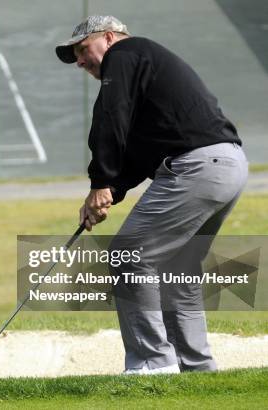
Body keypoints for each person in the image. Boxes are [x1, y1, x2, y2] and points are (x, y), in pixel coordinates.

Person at [55, 16, 248, 374]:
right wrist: (112, 188)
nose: (81, 61)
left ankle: (152, 363)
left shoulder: (125, 53)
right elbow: (142, 151)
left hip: (199, 167)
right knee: (179, 269)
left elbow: (110, 118)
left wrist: (100, 182)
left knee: (129, 255)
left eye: (83, 50)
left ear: (110, 38)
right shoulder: (145, 70)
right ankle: (196, 368)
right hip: (228, 165)